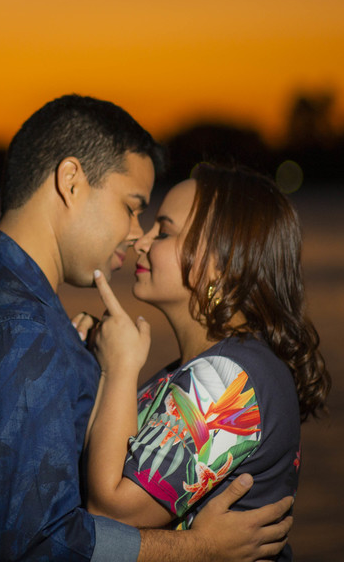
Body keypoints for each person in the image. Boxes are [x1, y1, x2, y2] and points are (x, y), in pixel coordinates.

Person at [0, 96, 293, 562]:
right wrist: (200, 547)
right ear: (71, 182)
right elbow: (39, 545)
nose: (136, 232)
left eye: (158, 227)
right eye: (131, 206)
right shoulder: (16, 326)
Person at [79, 163, 330, 560]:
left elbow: (111, 511)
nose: (141, 241)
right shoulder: (210, 367)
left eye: (163, 231)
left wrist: (120, 368)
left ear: (220, 261)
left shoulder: (226, 379)